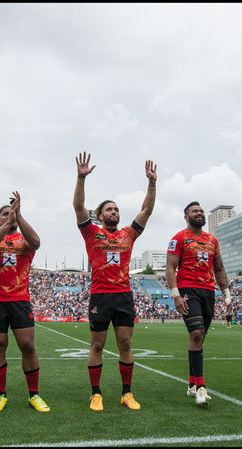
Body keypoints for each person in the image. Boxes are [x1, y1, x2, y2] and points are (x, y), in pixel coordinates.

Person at [73, 152, 156, 411]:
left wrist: (152, 183)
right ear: (99, 215)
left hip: (123, 295)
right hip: (100, 295)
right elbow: (77, 207)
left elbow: (147, 210)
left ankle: (126, 394)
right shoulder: (91, 232)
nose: (114, 212)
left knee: (126, 344)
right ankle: (95, 394)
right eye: (109, 209)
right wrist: (81, 179)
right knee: (97, 345)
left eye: (117, 209)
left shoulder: (128, 234)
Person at [0, 192, 49, 413]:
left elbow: (37, 242)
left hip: (20, 299)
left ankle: (34, 395)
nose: (8, 216)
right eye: (4, 214)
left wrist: (19, 218)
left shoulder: (24, 239)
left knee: (27, 346)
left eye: (11, 213)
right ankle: (1, 395)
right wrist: (8, 223)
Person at [166, 201, 231, 408]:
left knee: (200, 337)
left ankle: (192, 384)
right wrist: (176, 295)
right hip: (188, 290)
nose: (200, 213)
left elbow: (219, 269)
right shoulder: (179, 238)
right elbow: (170, 267)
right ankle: (201, 388)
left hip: (208, 292)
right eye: (195, 211)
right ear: (186, 217)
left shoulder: (212, 239)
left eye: (201, 211)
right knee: (196, 334)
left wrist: (227, 294)